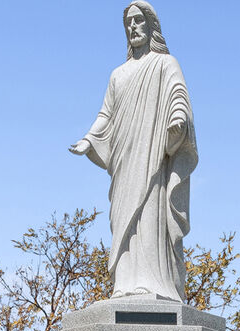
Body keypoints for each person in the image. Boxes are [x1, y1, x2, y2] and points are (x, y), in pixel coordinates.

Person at [70, 2, 197, 301]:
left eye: (139, 20)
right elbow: (106, 115)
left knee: (150, 213)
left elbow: (178, 95)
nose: (133, 27)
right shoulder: (118, 75)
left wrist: (177, 119)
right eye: (129, 22)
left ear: (151, 25)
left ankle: (153, 283)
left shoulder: (165, 64)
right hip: (126, 161)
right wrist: (89, 139)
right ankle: (124, 283)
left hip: (153, 158)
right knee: (123, 218)